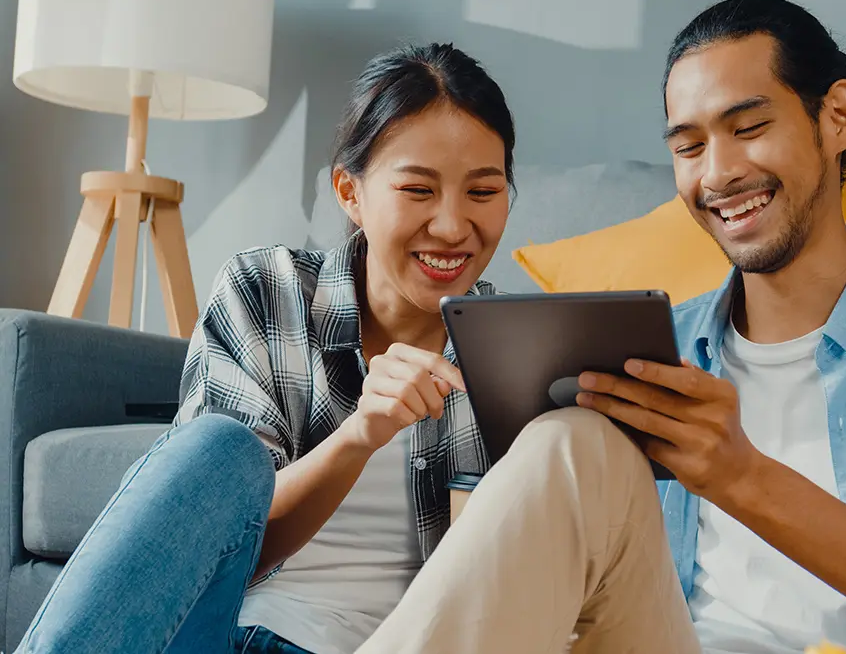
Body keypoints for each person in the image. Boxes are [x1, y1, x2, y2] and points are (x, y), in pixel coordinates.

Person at [354, 0, 846, 654]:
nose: (718, 173)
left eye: (750, 126)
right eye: (689, 146)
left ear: (839, 117)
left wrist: (739, 475)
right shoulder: (653, 353)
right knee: (568, 437)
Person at [17, 42, 517, 653]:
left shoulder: (515, 346)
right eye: (418, 190)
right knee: (217, 448)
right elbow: (221, 532)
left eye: (483, 193)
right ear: (349, 192)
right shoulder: (267, 291)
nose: (451, 226)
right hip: (226, 635)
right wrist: (359, 435)